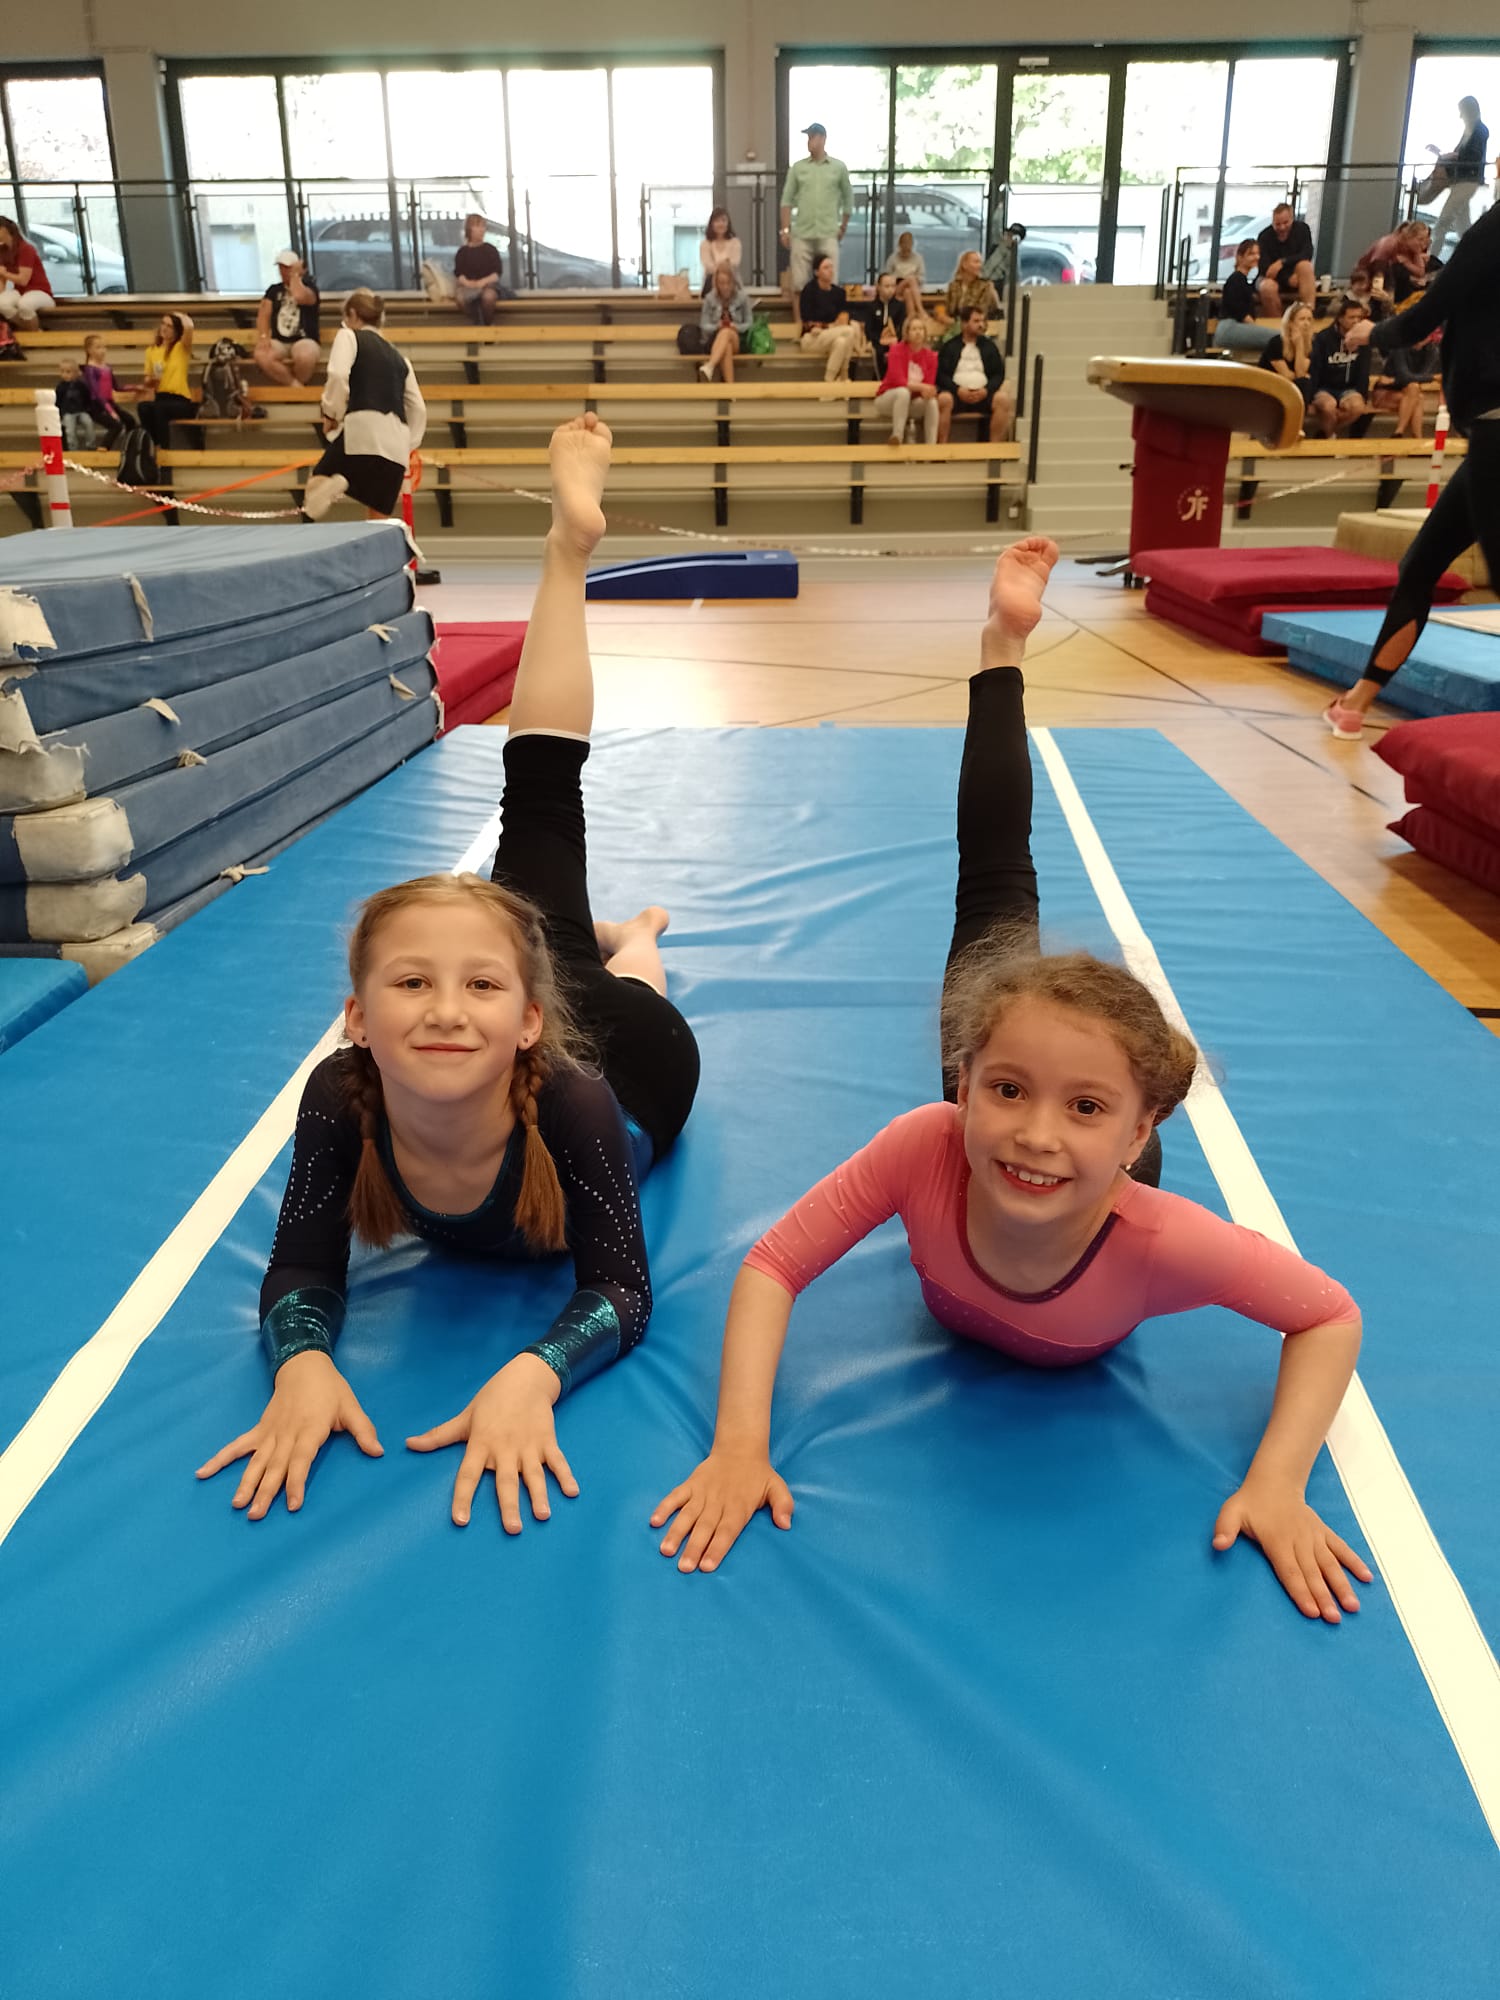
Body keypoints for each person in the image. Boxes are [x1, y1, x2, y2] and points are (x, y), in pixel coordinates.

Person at [651, 539, 1372, 1627]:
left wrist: (1279, 1479)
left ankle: (1003, 658)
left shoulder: (1159, 1237)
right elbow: (771, 1265)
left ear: (1141, 1129)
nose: (1035, 1133)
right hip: (993, 1102)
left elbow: (1329, 1316)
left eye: (1086, 1109)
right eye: (1006, 1091)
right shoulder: (931, 1141)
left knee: (1025, 955)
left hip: (1109, 1180)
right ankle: (1002, 648)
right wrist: (740, 1445)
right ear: (963, 1081)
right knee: (994, 886)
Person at [199, 414, 702, 1532]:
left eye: (475, 984)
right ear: (356, 1017)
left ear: (524, 1016)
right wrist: (301, 1364)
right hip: (552, 994)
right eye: (410, 984)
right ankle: (608, 932)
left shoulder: (574, 1101)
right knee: (550, 850)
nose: (441, 1010)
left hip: (638, 1058)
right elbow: (301, 1267)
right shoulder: (341, 1096)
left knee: (596, 907)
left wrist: (535, 1373)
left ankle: (636, 936)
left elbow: (619, 1288)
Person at [1318, 196, 1500, 741]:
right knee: (1421, 565)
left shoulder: (1493, 228)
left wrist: (1369, 334)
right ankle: (1356, 702)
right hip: (1489, 431)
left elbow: (1428, 312)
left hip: (1496, 425)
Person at [303, 290, 427, 521]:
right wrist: (409, 444)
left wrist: (331, 414)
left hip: (363, 429)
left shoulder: (349, 336)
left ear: (352, 314)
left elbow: (338, 375)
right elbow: (418, 408)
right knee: (378, 521)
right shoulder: (401, 359)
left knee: (316, 487)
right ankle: (345, 481)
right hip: (397, 444)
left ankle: (341, 480)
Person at [780, 124, 853, 292]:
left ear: (823, 139)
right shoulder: (798, 168)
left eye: (812, 137)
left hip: (828, 231)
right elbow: (786, 200)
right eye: (808, 138)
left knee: (830, 282)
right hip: (802, 233)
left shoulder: (838, 167)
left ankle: (829, 310)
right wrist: (785, 230)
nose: (809, 141)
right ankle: (800, 311)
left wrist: (843, 226)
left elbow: (848, 198)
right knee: (799, 283)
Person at [936, 305, 1012, 443]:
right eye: (976, 321)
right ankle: (941, 448)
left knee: (1003, 400)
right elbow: (941, 375)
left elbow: (998, 374)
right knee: (943, 399)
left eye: (982, 321)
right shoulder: (950, 346)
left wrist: (986, 390)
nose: (981, 325)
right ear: (964, 324)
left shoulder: (990, 347)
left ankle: (994, 449)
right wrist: (957, 390)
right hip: (956, 395)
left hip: (983, 395)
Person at [1427, 97, 1490, 259]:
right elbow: (1463, 155)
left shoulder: (1479, 131)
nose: (1460, 116)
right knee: (1463, 227)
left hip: (1467, 181)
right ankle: (1475, 259)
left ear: (1469, 110)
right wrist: (1443, 154)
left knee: (1443, 222)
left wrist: (1448, 156)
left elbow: (1470, 156)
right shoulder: (1473, 130)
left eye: (1462, 111)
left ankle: (1432, 259)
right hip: (1464, 181)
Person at [1304, 296, 1373, 440]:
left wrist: (1363, 396)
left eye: (1359, 318)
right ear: (1340, 319)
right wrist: (1309, 397)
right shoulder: (1323, 338)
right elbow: (1314, 369)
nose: (1356, 321)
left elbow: (1364, 371)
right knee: (1328, 406)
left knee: (1358, 408)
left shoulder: (1363, 339)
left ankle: (1327, 434)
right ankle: (1330, 438)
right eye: (1351, 317)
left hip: (1349, 388)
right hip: (1324, 387)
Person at [255, 250, 321, 387]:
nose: (283, 271)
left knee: (305, 357)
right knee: (261, 355)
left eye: (287, 268)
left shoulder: (310, 288)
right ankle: (295, 386)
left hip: (305, 339)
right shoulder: (273, 290)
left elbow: (299, 297)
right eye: (281, 267)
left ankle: (296, 389)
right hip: (279, 340)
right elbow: (263, 315)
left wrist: (295, 276)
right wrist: (263, 336)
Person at [872, 313, 939, 445]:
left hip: (912, 402)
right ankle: (897, 436)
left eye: (921, 329)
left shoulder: (931, 356)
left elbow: (929, 385)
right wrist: (923, 387)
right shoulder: (896, 350)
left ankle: (932, 445)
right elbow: (899, 381)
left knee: (932, 402)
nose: (918, 332)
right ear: (907, 333)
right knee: (903, 392)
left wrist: (928, 391)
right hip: (888, 399)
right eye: (914, 329)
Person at [1369, 330, 1443, 440]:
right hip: (1384, 393)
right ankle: (1411, 436)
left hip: (1407, 393)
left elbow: (1419, 376)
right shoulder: (1400, 347)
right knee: (1415, 391)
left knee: (1416, 392)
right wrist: (1433, 377)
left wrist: (1394, 380)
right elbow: (1405, 376)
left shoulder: (1432, 351)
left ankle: (1402, 433)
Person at [137, 312, 196, 448]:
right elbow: (147, 377)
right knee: (143, 407)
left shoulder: (181, 347)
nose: (164, 328)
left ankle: (164, 449)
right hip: (161, 396)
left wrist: (180, 315)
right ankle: (153, 444)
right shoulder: (151, 351)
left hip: (180, 400)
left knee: (160, 409)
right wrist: (150, 380)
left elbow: (189, 328)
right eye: (163, 324)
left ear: (176, 331)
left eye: (169, 326)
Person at [795, 253, 857, 382]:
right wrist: (830, 325)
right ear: (816, 272)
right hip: (812, 337)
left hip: (833, 334)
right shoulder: (809, 290)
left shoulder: (839, 293)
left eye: (831, 267)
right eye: (826, 267)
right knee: (849, 331)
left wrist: (830, 326)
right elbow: (808, 322)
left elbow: (843, 318)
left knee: (841, 342)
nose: (830, 270)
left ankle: (828, 381)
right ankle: (845, 374)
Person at [1351, 220, 1434, 309]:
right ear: (1409, 236)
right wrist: (1380, 290)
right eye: (1420, 239)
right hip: (1368, 279)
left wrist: (1410, 261)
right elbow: (1378, 267)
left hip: (1391, 284)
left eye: (1425, 240)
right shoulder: (1389, 243)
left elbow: (1420, 272)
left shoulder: (1412, 248)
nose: (1423, 244)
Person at [1213, 240, 1274, 355]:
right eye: (1251, 254)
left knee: (1275, 340)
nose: (1256, 257)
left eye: (1258, 253)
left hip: (1233, 327)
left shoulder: (1243, 280)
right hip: (1230, 328)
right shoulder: (1236, 279)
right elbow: (1238, 310)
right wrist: (1254, 328)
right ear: (1240, 257)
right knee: (1277, 338)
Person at [1256, 204, 1317, 317]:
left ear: (1292, 219)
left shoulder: (1302, 229)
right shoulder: (1264, 237)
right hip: (1273, 278)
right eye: (1277, 224)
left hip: (1296, 275)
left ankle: (1308, 313)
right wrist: (1287, 279)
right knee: (1267, 287)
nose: (1282, 228)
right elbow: (1265, 269)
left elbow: (1307, 254)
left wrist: (1282, 262)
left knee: (1305, 266)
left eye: (1285, 223)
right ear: (1272, 222)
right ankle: (1276, 324)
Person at [697, 264, 753, 382]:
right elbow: (704, 325)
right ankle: (730, 388)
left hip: (738, 339)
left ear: (733, 282)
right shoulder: (709, 299)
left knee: (727, 331)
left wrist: (736, 327)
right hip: (715, 340)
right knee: (727, 346)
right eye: (721, 283)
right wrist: (716, 326)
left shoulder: (743, 298)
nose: (725, 287)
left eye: (728, 283)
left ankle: (710, 365)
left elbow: (749, 323)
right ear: (716, 283)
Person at [453, 214, 509, 326]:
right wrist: (468, 283)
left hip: (488, 285)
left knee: (488, 297)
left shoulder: (490, 250)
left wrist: (482, 282)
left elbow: (496, 274)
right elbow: (459, 274)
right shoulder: (462, 252)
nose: (482, 230)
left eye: (483, 226)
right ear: (469, 229)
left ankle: (487, 324)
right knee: (460, 298)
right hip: (468, 287)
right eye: (478, 226)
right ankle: (477, 321)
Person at [0, 217, 55, 330]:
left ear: (5, 229)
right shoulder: (2, 251)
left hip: (40, 291)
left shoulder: (26, 249)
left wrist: (5, 274)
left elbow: (23, 280)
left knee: (25, 305)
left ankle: (34, 334)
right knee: (2, 303)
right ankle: (34, 330)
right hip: (20, 292)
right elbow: (2, 279)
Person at [80, 333, 136, 445]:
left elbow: (116, 387)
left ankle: (128, 445)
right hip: (96, 406)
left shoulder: (107, 367)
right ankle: (103, 449)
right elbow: (96, 394)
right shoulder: (90, 370)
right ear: (89, 350)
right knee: (116, 426)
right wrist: (111, 412)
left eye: (104, 347)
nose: (103, 351)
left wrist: (134, 387)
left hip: (109, 403)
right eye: (98, 347)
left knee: (130, 421)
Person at [933, 250, 1001, 337]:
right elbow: (948, 308)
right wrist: (941, 315)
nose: (979, 265)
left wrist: (955, 322)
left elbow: (980, 312)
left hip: (976, 329)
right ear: (964, 265)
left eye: (980, 262)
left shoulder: (985, 286)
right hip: (954, 327)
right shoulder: (954, 286)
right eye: (976, 262)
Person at [1257, 300, 1314, 404]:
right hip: (1270, 385)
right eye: (1302, 319)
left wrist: (1299, 345)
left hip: (1292, 388)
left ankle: (1299, 413)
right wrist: (1302, 376)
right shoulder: (1276, 342)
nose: (1306, 323)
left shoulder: (1310, 345)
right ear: (1290, 323)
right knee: (1304, 383)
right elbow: (1286, 376)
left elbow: (1300, 373)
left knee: (1304, 384)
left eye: (1309, 319)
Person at [860, 270, 907, 380]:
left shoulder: (900, 306)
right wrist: (879, 340)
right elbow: (869, 330)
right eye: (887, 286)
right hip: (878, 342)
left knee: (898, 351)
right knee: (879, 351)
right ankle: (880, 379)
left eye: (893, 286)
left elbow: (903, 327)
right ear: (878, 287)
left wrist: (896, 338)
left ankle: (896, 379)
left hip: (895, 341)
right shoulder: (871, 307)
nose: (890, 289)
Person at [699, 208, 742, 294]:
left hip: (732, 284)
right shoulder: (705, 244)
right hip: (710, 285)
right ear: (712, 224)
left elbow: (734, 263)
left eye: (723, 220)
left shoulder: (735, 242)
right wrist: (725, 263)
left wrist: (719, 265)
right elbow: (708, 265)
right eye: (717, 221)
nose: (721, 224)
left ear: (728, 223)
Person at [882, 230, 926, 315]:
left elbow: (922, 277)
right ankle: (921, 310)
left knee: (908, 292)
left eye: (908, 246)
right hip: (896, 286)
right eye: (904, 245)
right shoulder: (893, 258)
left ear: (912, 245)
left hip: (912, 288)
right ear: (900, 245)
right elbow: (886, 276)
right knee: (911, 279)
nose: (906, 250)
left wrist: (915, 280)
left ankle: (911, 316)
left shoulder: (918, 258)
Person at [54, 361, 96, 449]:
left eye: (68, 372)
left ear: (76, 373)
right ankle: (73, 448)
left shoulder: (81, 385)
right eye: (62, 371)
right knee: (70, 431)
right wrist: (59, 415)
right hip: (68, 412)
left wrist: (88, 409)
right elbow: (57, 401)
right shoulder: (60, 387)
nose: (65, 375)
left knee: (88, 423)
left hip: (81, 411)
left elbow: (87, 397)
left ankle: (91, 445)